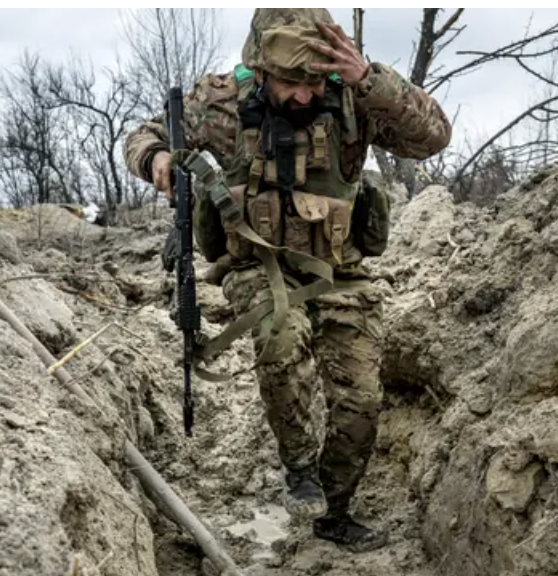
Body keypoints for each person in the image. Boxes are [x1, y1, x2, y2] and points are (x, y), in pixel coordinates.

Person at [123, 8, 451, 553]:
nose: (304, 95)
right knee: (281, 332)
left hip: (340, 271)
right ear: (260, 70)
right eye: (290, 83)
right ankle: (298, 467)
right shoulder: (223, 103)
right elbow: (143, 136)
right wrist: (154, 156)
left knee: (362, 399)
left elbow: (434, 135)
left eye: (313, 82)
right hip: (256, 264)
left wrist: (370, 80)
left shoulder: (354, 97)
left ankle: (335, 509)